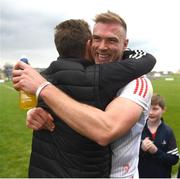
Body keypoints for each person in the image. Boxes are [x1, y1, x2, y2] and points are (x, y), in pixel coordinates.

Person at [13, 11, 155, 178]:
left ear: (125, 44)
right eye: (97, 39)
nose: (102, 46)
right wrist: (39, 112)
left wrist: (43, 88)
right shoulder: (85, 74)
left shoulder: (137, 83)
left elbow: (106, 130)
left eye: (111, 40)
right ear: (89, 43)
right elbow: (66, 105)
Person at [138, 93, 179, 178]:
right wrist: (141, 148)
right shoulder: (138, 129)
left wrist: (156, 151)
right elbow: (128, 155)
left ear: (163, 110)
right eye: (148, 108)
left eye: (155, 109)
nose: (151, 112)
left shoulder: (168, 132)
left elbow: (174, 159)